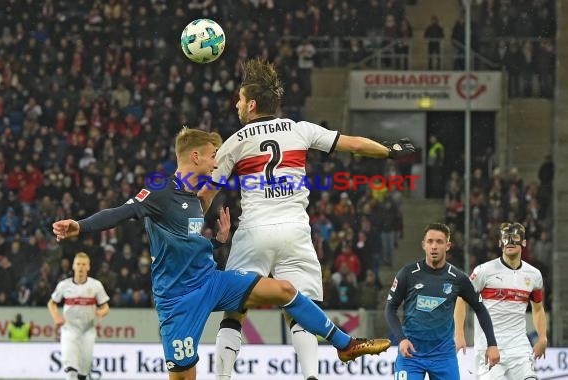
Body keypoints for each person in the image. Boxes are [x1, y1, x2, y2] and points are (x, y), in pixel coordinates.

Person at [52, 128, 391, 380]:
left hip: (211, 281)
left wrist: (217, 242)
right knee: (185, 376)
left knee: (286, 290)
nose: (217, 161)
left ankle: (345, 345)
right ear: (195, 156)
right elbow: (119, 212)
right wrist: (79, 226)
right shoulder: (159, 192)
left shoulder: (195, 198)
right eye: (213, 154)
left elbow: (189, 243)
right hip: (178, 300)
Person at [197, 58, 416, 380]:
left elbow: (206, 194)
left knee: (235, 311)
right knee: (300, 308)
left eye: (241, 99)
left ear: (253, 104)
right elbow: (353, 145)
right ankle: (312, 375)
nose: (237, 104)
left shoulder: (236, 141)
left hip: (255, 232)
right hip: (295, 232)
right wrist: (389, 150)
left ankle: (222, 377)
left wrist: (188, 230)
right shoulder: (300, 129)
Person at [384, 223, 500, 379]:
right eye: (430, 241)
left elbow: (480, 309)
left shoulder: (458, 278)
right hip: (411, 353)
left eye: (439, 242)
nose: (434, 246)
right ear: (423, 245)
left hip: (443, 356)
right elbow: (390, 308)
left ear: (448, 246)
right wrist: (401, 339)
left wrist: (492, 344)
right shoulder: (407, 273)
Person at [454, 222, 547, 379]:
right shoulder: (484, 271)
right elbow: (461, 299)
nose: (510, 242)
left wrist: (543, 337)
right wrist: (459, 333)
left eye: (515, 237)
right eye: (505, 238)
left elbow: (538, 308)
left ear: (524, 243)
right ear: (500, 243)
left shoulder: (534, 275)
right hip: (489, 347)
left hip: (519, 349)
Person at [47, 252, 110, 380]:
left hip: (88, 332)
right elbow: (51, 303)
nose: (81, 267)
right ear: (73, 266)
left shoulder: (96, 286)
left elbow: (106, 307)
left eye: (83, 264)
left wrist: (101, 312)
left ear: (88, 267)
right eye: (78, 264)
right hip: (69, 331)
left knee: (82, 374)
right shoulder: (64, 285)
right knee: (71, 371)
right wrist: (56, 317)